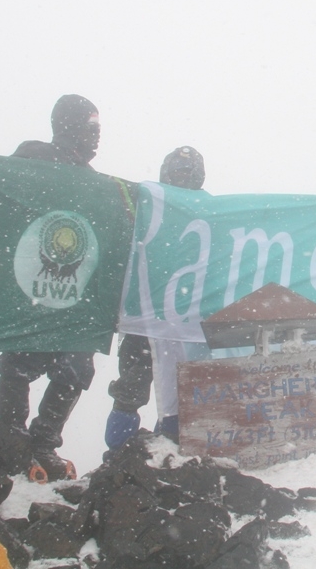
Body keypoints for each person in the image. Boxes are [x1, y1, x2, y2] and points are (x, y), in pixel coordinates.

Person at [0, 95, 101, 480]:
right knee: (19, 364)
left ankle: (42, 443)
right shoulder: (32, 159)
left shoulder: (94, 183)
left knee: (75, 365)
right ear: (69, 126)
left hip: (71, 293)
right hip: (31, 287)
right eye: (91, 127)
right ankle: (12, 440)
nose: (98, 137)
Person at [104, 145, 205, 451]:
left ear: (199, 177)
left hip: (191, 316)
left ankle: (174, 443)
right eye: (176, 173)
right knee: (132, 385)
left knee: (189, 385)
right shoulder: (145, 203)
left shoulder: (211, 211)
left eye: (188, 173)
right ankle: (119, 450)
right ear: (165, 174)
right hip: (145, 313)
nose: (182, 179)